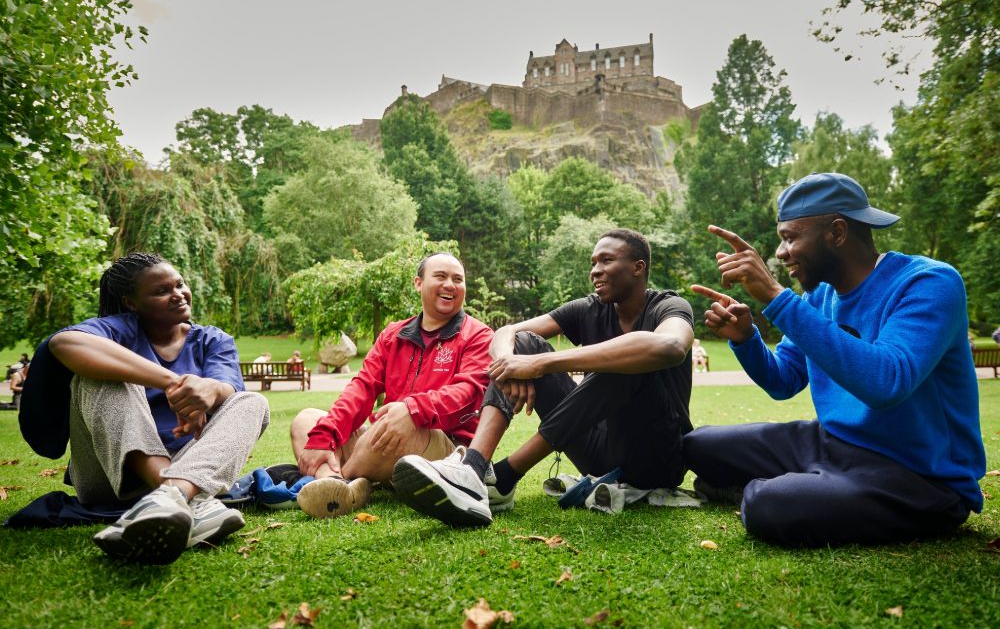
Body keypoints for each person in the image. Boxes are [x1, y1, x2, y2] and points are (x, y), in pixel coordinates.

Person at [685, 172, 986, 547]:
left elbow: (886, 382)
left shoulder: (929, 283)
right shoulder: (819, 297)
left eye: (790, 237)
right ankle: (814, 485)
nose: (780, 252)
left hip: (920, 473)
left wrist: (777, 298)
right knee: (699, 445)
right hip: (833, 443)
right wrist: (746, 339)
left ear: (837, 232)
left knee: (769, 503)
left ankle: (778, 491)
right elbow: (784, 380)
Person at [392, 228, 695, 527]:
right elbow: (506, 333)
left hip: (657, 457)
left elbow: (670, 346)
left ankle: (504, 477)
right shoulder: (589, 308)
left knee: (623, 359)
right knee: (522, 344)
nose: (595, 271)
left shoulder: (669, 306)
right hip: (600, 454)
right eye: (593, 263)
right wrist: (511, 364)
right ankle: (474, 469)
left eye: (606, 261)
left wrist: (541, 364)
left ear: (637, 268)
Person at [19, 252, 270, 564]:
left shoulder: (212, 340)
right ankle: (177, 497)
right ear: (132, 303)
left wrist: (212, 389)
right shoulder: (117, 331)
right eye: (161, 291)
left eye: (180, 284)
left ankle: (169, 498)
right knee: (101, 377)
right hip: (110, 475)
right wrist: (172, 382)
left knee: (252, 402)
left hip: (191, 467)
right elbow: (62, 344)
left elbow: (229, 388)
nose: (178, 294)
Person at [290, 252, 493, 519]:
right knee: (307, 421)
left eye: (458, 279)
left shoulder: (478, 335)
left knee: (394, 426)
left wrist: (413, 409)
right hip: (383, 442)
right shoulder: (393, 334)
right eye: (440, 276)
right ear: (418, 283)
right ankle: (337, 483)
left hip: (443, 448)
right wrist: (324, 437)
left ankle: (341, 479)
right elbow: (363, 387)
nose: (450, 285)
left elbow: (467, 392)